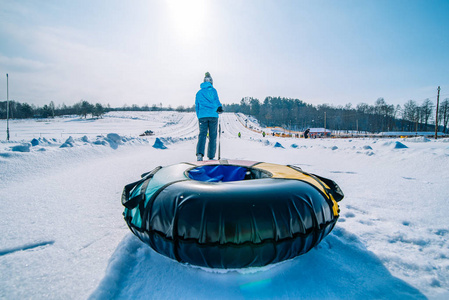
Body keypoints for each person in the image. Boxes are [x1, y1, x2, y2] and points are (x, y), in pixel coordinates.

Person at [195, 72, 223, 161]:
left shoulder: (199, 93)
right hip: (213, 116)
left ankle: (200, 154)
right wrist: (220, 107)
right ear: (211, 82)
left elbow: (197, 106)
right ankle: (211, 156)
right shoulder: (213, 90)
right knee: (212, 135)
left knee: (202, 134)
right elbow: (216, 101)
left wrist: (199, 116)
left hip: (202, 116)